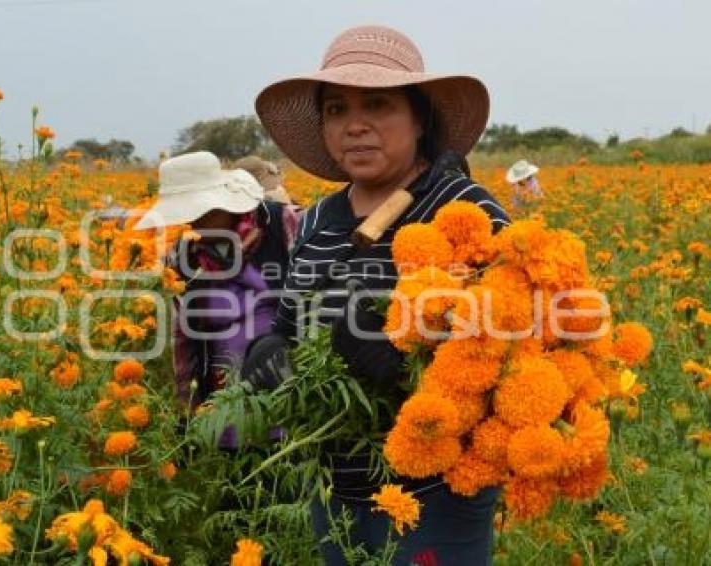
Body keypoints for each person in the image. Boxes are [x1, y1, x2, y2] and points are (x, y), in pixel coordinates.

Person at [242, 25, 511, 565]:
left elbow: (518, 345)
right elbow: (293, 322)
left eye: (378, 105)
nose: (355, 125)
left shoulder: (462, 209)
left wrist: (410, 358)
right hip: (333, 484)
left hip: (433, 491)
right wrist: (269, 349)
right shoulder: (318, 218)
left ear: (419, 117)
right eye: (337, 109)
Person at [133, 151, 298, 436]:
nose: (194, 222)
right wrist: (187, 407)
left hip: (290, 381)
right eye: (187, 215)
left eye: (201, 212)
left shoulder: (282, 224)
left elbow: (315, 297)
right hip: (224, 394)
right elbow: (184, 334)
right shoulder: (184, 254)